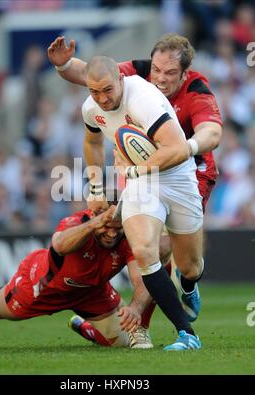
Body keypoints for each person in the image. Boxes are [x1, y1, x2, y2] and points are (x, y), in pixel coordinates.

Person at [47, 33, 223, 322]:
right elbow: (96, 74)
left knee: (180, 258)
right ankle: (134, 321)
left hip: (190, 171)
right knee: (145, 247)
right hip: (141, 172)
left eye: (170, 73)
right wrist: (63, 66)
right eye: (156, 70)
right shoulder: (139, 74)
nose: (160, 78)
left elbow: (212, 134)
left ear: (185, 73)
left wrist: (184, 148)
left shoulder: (197, 89)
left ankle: (189, 284)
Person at [77, 55, 203, 350]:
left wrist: (134, 169)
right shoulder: (91, 108)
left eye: (107, 89)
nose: (102, 98)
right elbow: (92, 142)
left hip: (177, 175)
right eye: (94, 92)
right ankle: (187, 334)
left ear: (120, 80)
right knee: (146, 251)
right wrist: (95, 186)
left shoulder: (143, 99)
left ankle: (189, 284)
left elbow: (178, 148)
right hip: (140, 182)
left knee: (190, 266)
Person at [0, 204, 155, 349]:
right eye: (106, 227)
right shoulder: (78, 222)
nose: (112, 234)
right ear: (94, 215)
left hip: (92, 293)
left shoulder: (130, 233)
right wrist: (94, 225)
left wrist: (135, 308)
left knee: (122, 343)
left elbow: (143, 276)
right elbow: (59, 245)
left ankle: (84, 327)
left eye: (117, 229)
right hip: (43, 288)